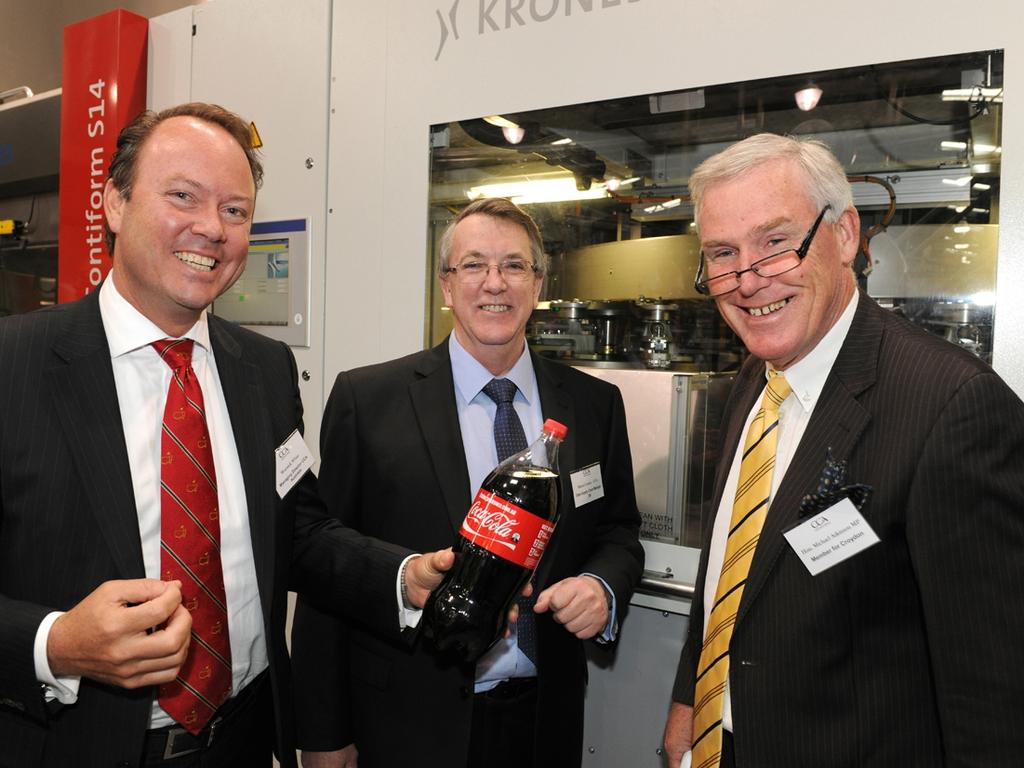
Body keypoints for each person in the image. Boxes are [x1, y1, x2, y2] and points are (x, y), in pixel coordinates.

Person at [0, 102, 453, 768]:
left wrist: (402, 576)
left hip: (241, 741)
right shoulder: (15, 365)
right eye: (183, 196)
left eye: (236, 211)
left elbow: (296, 530)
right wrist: (54, 643)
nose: (211, 228)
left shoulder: (264, 370)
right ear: (115, 204)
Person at [662, 133, 1024, 768]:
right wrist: (693, 697)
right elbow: (732, 571)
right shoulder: (755, 376)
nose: (748, 281)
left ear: (846, 235)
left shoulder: (953, 408)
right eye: (723, 253)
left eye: (776, 243)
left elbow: (993, 694)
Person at [290, 197, 645, 768]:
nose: (494, 284)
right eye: (474, 265)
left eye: (514, 266)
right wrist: (324, 735)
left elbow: (619, 530)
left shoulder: (594, 404)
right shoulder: (369, 399)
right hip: (408, 722)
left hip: (544, 719)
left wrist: (603, 586)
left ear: (538, 284)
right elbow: (328, 565)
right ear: (446, 286)